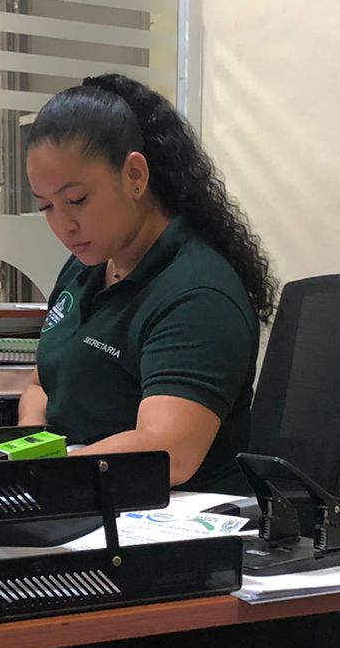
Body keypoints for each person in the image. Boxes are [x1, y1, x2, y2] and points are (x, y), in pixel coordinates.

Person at [19, 72, 277, 493]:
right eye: (46, 206)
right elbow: (41, 385)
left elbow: (167, 451)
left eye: (77, 200)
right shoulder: (86, 267)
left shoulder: (197, 294)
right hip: (82, 490)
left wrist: (43, 478)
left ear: (135, 175)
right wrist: (29, 447)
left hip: (169, 509)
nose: (63, 225)